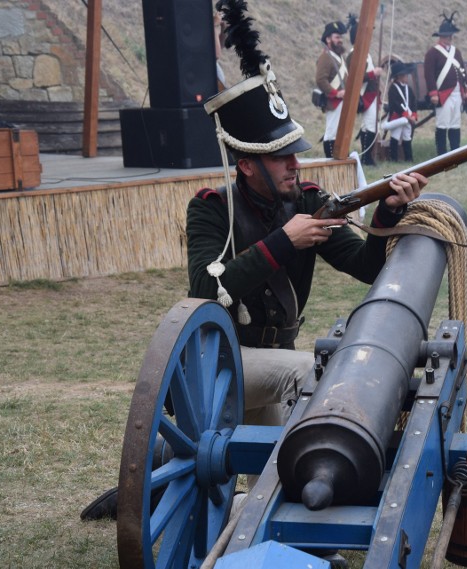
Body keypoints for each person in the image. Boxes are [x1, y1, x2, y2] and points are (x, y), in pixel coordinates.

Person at [80, 0, 427, 526]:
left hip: (268, 363)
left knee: (271, 460)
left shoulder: (308, 201)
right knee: (309, 374)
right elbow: (206, 287)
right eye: (282, 156)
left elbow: (365, 267)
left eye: (294, 152)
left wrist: (387, 210)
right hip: (218, 365)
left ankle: (174, 481)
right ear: (247, 164)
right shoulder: (211, 209)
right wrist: (285, 242)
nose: (295, 163)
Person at [424, 11, 467, 155]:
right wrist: (433, 93)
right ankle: (442, 153)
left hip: (457, 93)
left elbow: (463, 71)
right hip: (443, 94)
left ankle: (455, 152)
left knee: (455, 123)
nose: (449, 38)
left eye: (451, 35)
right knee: (442, 124)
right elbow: (429, 74)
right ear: (441, 36)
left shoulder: (456, 52)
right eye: (447, 35)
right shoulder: (433, 53)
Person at [346, 14, 383, 165]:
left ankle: (368, 157)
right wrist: (372, 74)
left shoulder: (364, 53)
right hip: (363, 95)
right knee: (368, 126)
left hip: (371, 94)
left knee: (370, 126)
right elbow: (354, 75)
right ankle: (366, 158)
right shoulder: (354, 53)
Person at [316, 20, 349, 157]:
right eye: (337, 37)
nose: (340, 40)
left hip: (342, 101)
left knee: (339, 131)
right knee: (331, 132)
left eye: (340, 37)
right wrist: (336, 93)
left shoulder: (339, 57)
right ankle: (330, 159)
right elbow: (320, 80)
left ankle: (338, 156)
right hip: (333, 101)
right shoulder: (325, 57)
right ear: (328, 39)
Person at [383, 61, 418, 161]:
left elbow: (413, 103)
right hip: (397, 117)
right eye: (405, 75)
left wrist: (413, 115)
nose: (407, 77)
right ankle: (393, 158)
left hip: (408, 117)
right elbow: (395, 104)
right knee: (395, 136)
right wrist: (406, 115)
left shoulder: (408, 89)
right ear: (399, 76)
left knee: (407, 136)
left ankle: (409, 158)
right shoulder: (393, 89)